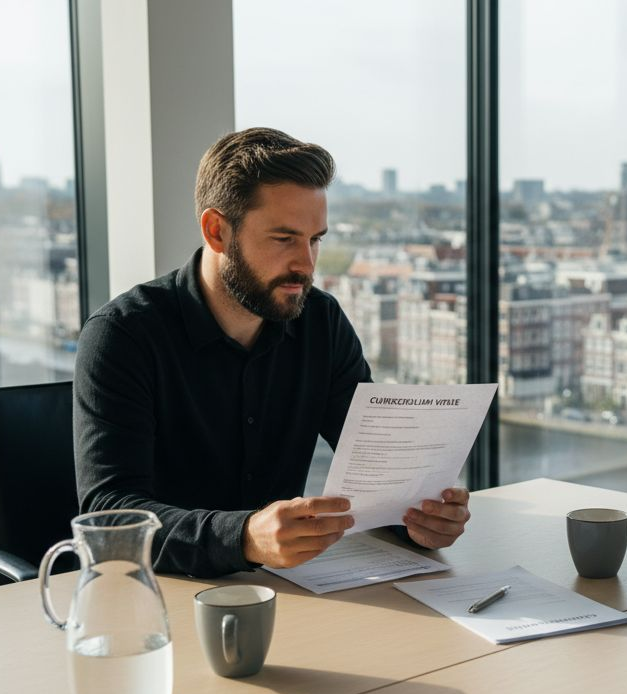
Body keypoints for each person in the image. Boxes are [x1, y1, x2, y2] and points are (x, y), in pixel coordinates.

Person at [74, 127, 470, 577]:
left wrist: (419, 519)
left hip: (290, 592)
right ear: (217, 230)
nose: (305, 263)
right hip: (163, 600)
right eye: (284, 239)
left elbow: (376, 470)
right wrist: (243, 538)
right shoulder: (122, 336)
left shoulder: (321, 322)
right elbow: (110, 515)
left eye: (315, 239)